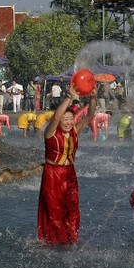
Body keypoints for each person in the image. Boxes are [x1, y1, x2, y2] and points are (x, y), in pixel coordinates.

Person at [38, 81, 93, 245]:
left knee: (72, 207)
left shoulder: (75, 131)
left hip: (70, 174)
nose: (69, 122)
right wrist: (69, 96)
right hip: (53, 173)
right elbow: (55, 117)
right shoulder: (51, 133)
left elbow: (90, 116)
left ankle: (71, 238)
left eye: (71, 119)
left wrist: (93, 97)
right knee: (54, 209)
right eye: (65, 119)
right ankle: (55, 241)